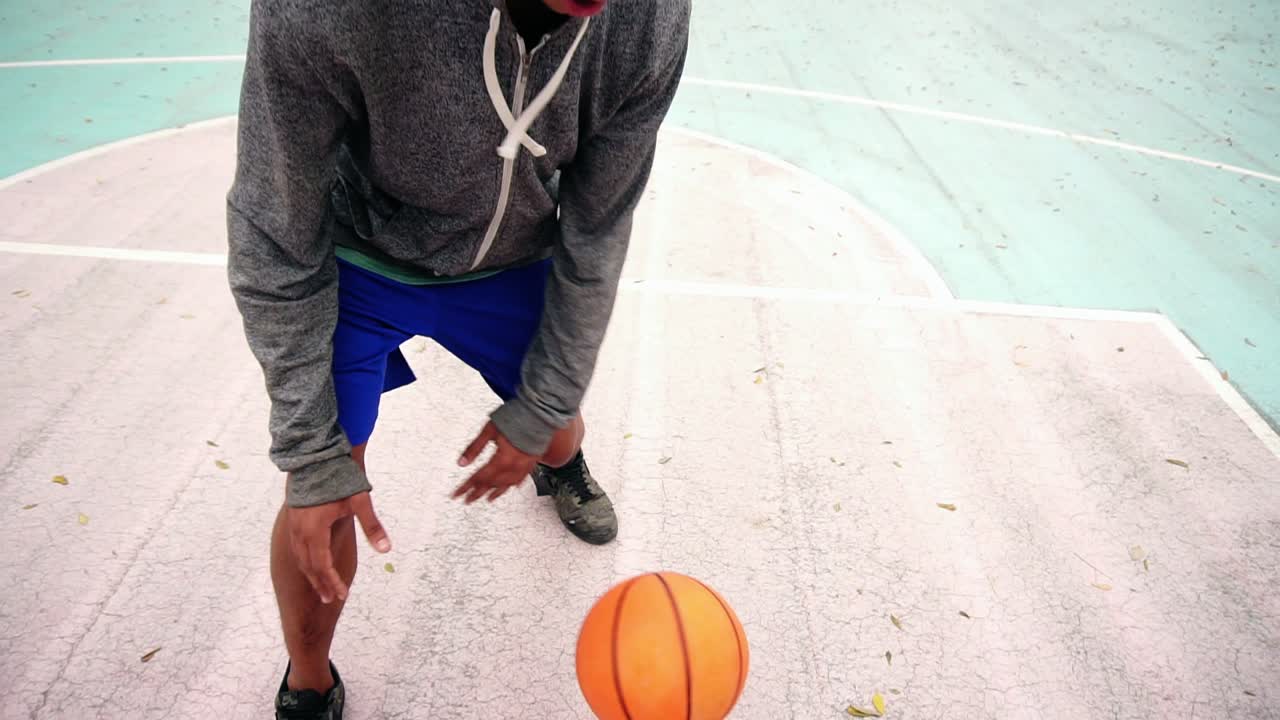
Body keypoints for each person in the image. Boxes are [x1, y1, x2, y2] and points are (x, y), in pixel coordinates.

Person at [225, 0, 690, 716]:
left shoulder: (648, 15)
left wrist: (542, 404)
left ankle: (561, 466)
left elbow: (597, 230)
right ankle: (310, 679)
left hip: (515, 259)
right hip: (363, 257)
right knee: (321, 494)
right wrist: (308, 452)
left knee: (556, 424)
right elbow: (273, 226)